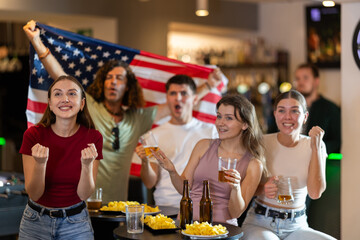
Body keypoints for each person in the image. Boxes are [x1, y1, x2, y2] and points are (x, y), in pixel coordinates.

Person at [23, 20, 222, 203]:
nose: (114, 82)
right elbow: (61, 77)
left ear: (128, 87)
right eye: (109, 78)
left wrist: (208, 86)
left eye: (120, 79)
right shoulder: (89, 107)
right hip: (83, 203)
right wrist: (37, 42)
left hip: (117, 206)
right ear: (102, 83)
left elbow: (178, 102)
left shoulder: (137, 119)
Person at [151, 94, 265, 225]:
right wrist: (172, 171)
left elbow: (235, 213)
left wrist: (235, 188)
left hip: (221, 230)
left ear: (245, 124)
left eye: (229, 118)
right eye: (219, 116)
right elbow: (184, 191)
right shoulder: (203, 146)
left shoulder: (254, 164)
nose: (220, 123)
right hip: (188, 223)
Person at [242, 90, 335, 240]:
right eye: (281, 110)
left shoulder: (316, 145)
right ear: (275, 114)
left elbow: (315, 193)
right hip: (260, 223)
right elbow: (242, 189)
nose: (287, 116)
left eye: (294, 111)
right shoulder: (261, 143)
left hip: (297, 225)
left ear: (305, 117)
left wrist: (316, 147)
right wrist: (263, 189)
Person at [19, 75, 103, 240]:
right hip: (34, 222)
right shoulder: (33, 135)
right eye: (58, 94)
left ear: (82, 104)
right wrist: (40, 164)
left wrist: (86, 165)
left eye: (72, 94)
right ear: (50, 103)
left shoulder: (93, 137)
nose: (65, 99)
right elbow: (34, 194)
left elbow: (84, 195)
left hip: (76, 224)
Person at [135, 74, 218, 208]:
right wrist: (144, 162)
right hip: (166, 207)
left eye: (184, 93)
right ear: (167, 98)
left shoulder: (211, 131)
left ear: (195, 99)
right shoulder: (154, 135)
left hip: (201, 207)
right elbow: (150, 183)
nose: (178, 98)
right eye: (173, 93)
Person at [294, 63, 341, 154]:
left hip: (319, 161)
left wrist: (316, 148)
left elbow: (337, 142)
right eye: (297, 78)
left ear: (316, 81)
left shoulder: (330, 109)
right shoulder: (288, 107)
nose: (300, 82)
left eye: (305, 78)